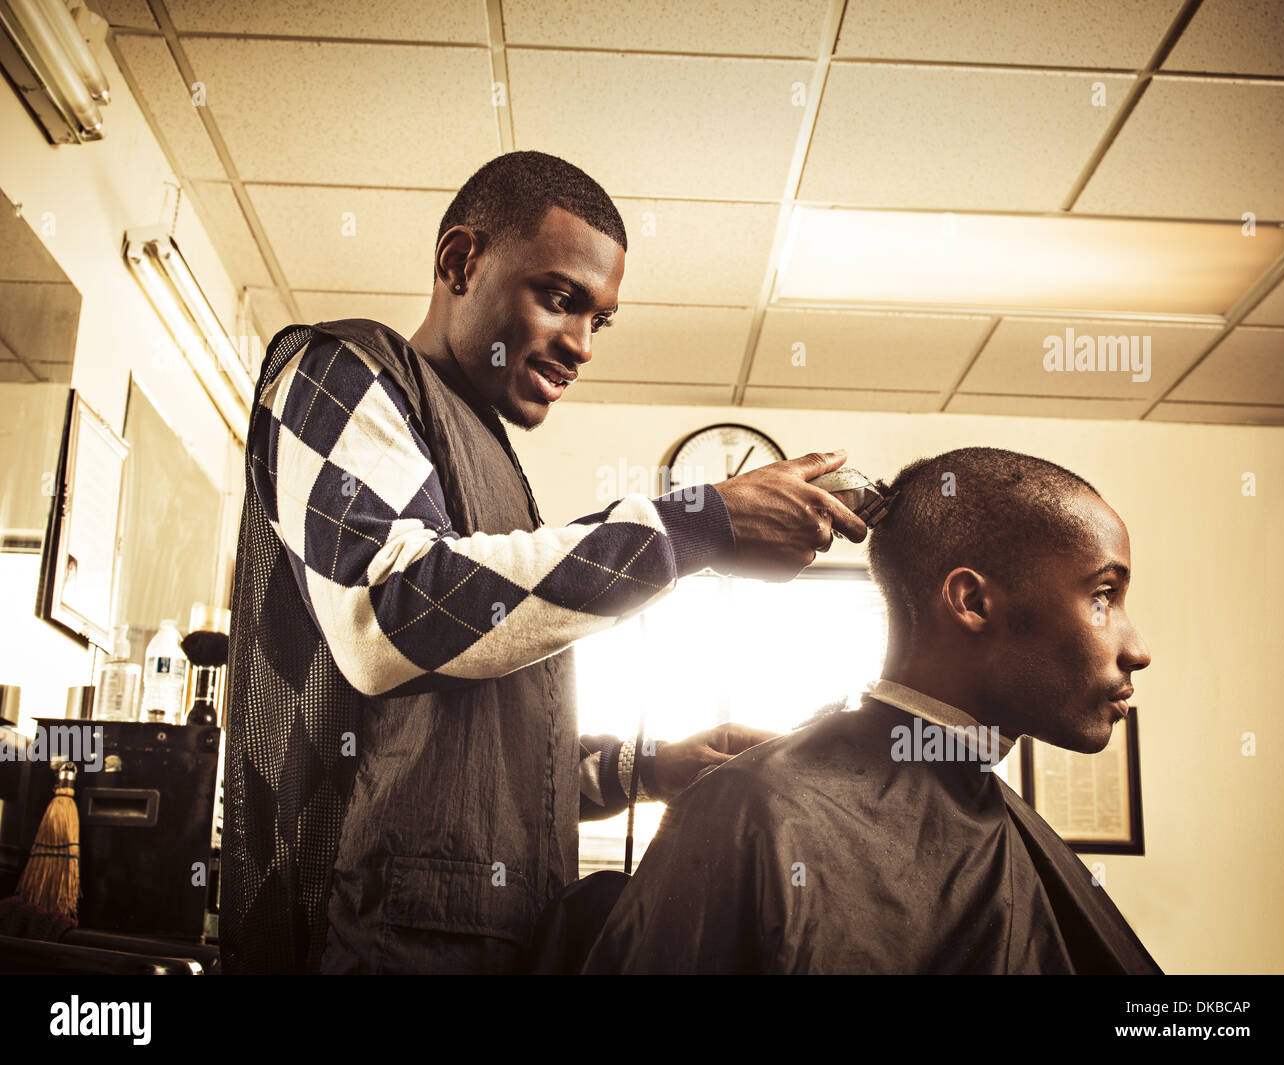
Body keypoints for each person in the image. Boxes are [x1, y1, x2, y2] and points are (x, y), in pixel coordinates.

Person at [219, 150, 868, 973]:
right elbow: (387, 618)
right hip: (345, 943)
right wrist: (696, 524)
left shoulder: (501, 478)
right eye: (562, 300)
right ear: (460, 261)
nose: (583, 346)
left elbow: (486, 758)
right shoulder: (341, 370)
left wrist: (651, 768)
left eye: (600, 320)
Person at [583, 446, 1161, 974]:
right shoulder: (757, 810)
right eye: (1102, 596)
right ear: (974, 602)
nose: (1138, 651)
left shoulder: (983, 808)